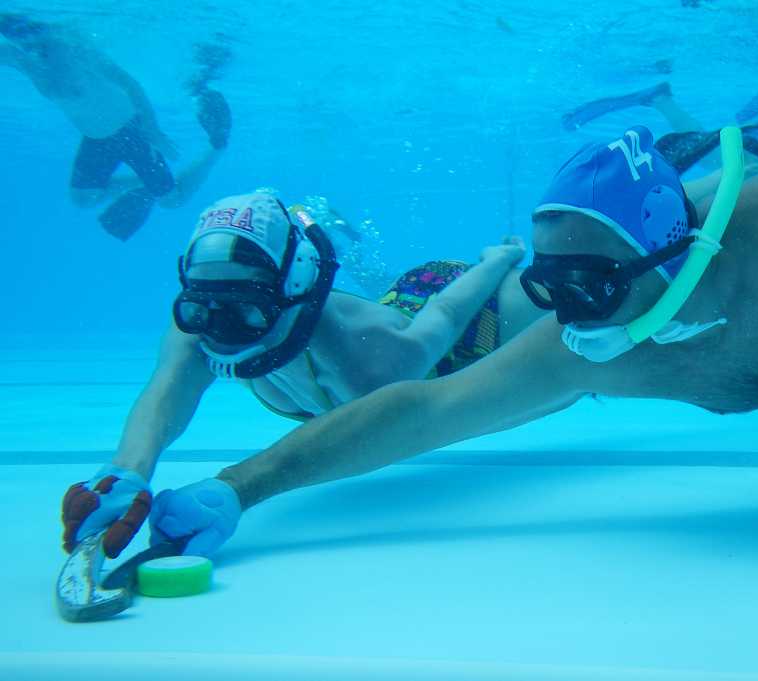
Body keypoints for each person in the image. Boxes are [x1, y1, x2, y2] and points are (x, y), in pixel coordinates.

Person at [66, 98, 758, 561]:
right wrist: (239, 489)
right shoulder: (596, 333)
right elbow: (424, 411)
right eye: (547, 280)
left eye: (589, 283)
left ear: (670, 255)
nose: (565, 310)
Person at [60, 191, 543, 559]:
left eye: (245, 312)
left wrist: (497, 261)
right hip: (400, 307)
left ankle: (504, 262)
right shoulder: (207, 316)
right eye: (201, 309)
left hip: (469, 326)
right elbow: (166, 387)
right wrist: (126, 472)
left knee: (560, 329)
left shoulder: (370, 357)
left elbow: (448, 313)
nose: (222, 333)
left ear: (291, 291)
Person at [0, 14, 232, 241]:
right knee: (83, 199)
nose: (34, 50)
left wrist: (153, 131)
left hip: (132, 132)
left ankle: (216, 149)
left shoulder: (78, 52)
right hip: (96, 138)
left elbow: (132, 86)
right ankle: (147, 183)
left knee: (172, 201)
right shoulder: (25, 61)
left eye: (38, 42)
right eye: (23, 43)